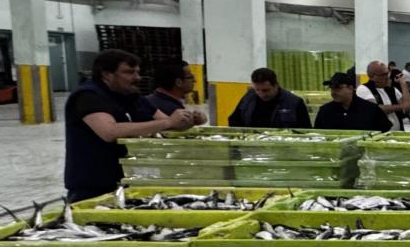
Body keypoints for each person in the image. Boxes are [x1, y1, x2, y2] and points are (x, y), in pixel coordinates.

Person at [65, 50, 199, 201]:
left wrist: (190, 120)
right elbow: (109, 131)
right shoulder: (88, 96)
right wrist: (168, 122)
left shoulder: (130, 95)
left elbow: (167, 123)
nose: (137, 78)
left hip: (129, 180)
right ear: (107, 74)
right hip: (93, 186)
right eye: (129, 72)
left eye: (137, 72)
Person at [227, 68, 311, 128]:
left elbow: (305, 131)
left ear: (276, 85)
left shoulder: (294, 102)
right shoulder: (248, 97)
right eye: (257, 90)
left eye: (265, 90)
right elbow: (234, 120)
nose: (261, 94)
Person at [315, 69, 391, 132]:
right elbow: (317, 135)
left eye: (338, 88)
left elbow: (384, 133)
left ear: (350, 88)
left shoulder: (371, 110)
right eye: (332, 88)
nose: (333, 92)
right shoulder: (325, 112)